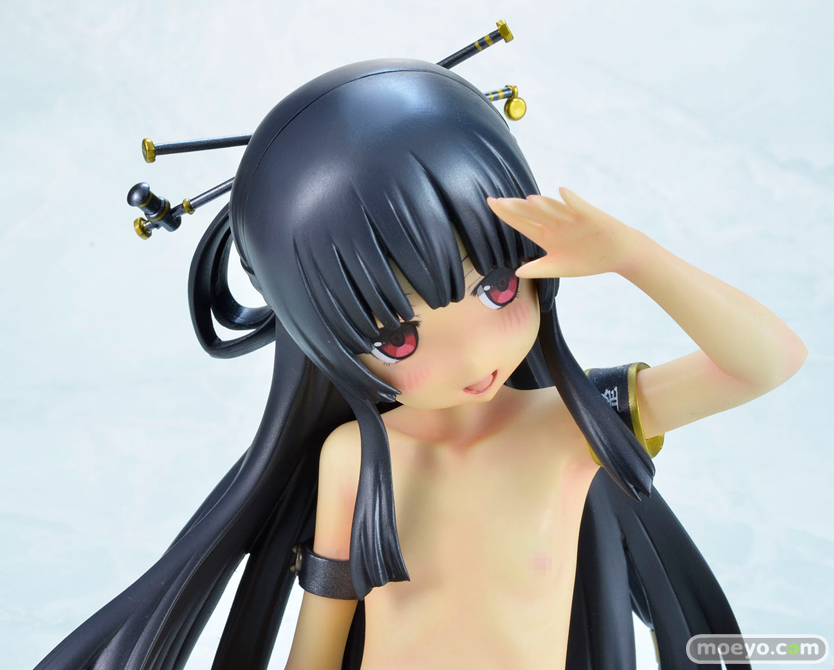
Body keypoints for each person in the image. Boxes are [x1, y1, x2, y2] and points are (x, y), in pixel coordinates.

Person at [36, 58, 805, 670]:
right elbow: (318, 642)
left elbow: (768, 362)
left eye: (496, 287)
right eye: (397, 337)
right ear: (321, 338)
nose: (473, 352)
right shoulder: (352, 459)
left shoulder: (575, 425)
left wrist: (633, 255)